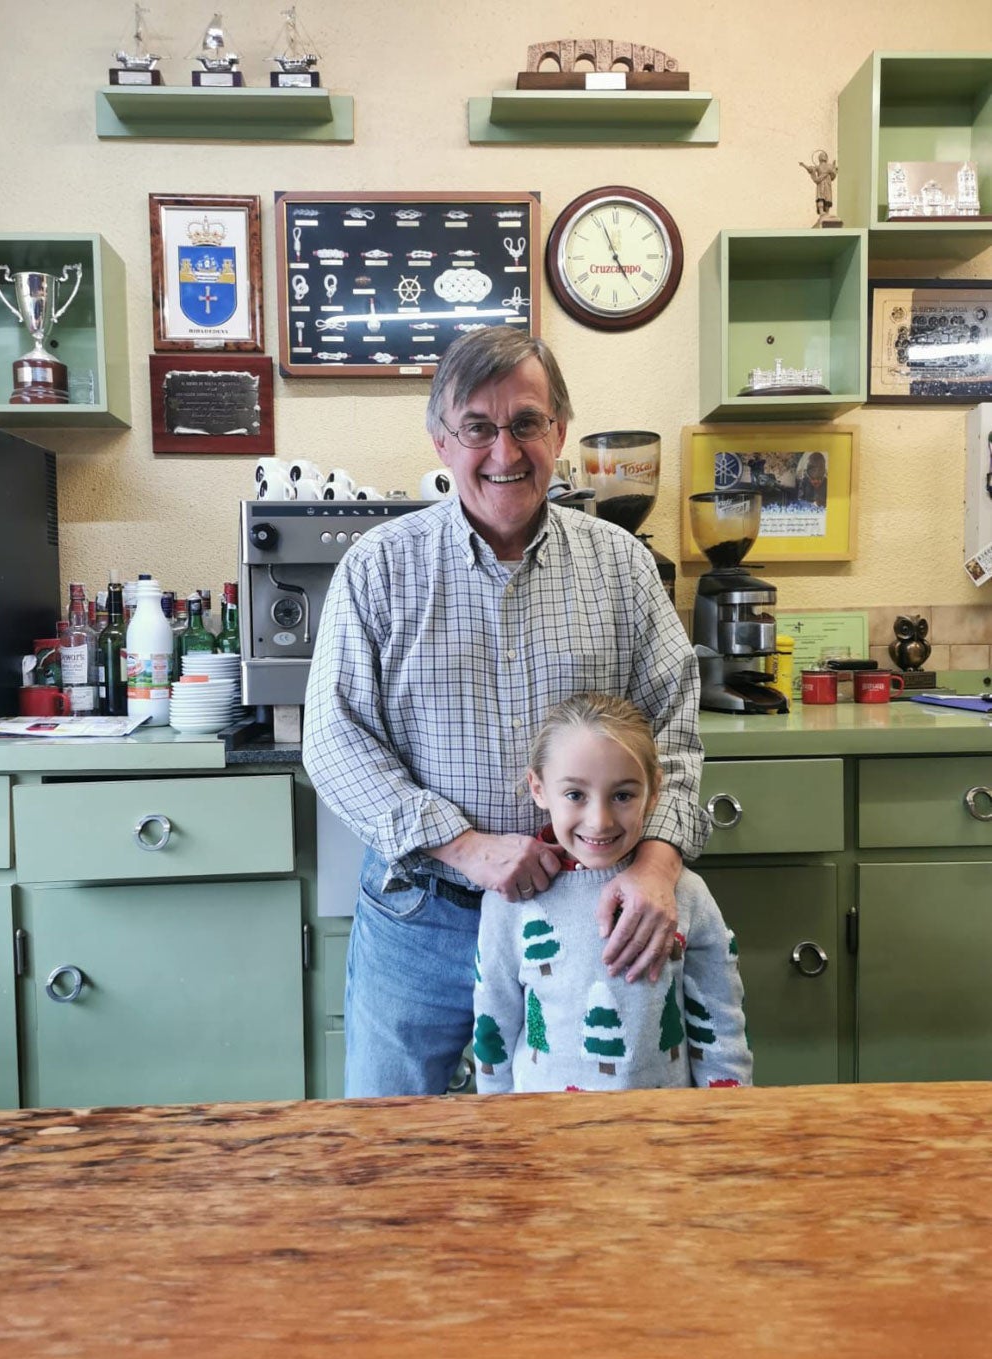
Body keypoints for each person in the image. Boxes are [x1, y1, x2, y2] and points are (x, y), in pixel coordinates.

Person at [303, 326, 709, 1098]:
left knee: (584, 1162)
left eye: (526, 423)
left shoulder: (622, 566)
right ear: (440, 440)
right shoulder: (379, 569)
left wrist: (658, 864)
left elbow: (675, 726)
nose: (505, 451)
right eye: (479, 428)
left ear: (559, 430)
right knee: (394, 1147)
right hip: (424, 914)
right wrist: (464, 846)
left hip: (592, 916)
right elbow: (333, 738)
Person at [473, 693, 752, 1093]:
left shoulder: (686, 894)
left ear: (654, 791)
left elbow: (721, 1026)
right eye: (575, 795)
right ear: (538, 788)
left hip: (663, 1132)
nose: (599, 821)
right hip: (544, 1133)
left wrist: (729, 1119)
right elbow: (493, 1027)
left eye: (622, 795)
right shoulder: (511, 902)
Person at [799, 150, 838, 218]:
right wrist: (804, 165)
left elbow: (833, 173)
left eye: (824, 155)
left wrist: (834, 167)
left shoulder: (829, 166)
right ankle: (821, 211)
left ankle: (827, 212)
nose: (823, 157)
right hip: (821, 184)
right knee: (821, 197)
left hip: (827, 184)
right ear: (819, 158)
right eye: (821, 155)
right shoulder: (818, 166)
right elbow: (811, 169)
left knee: (828, 198)